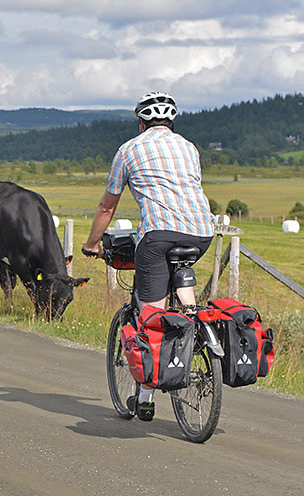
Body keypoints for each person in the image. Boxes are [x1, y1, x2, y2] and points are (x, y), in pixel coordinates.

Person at [81, 91, 214, 421]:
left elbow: (107, 206)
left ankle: (145, 398)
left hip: (158, 237)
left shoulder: (129, 149)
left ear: (141, 122)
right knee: (183, 300)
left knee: (150, 317)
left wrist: (92, 244)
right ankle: (193, 325)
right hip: (201, 233)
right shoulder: (189, 148)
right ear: (171, 122)